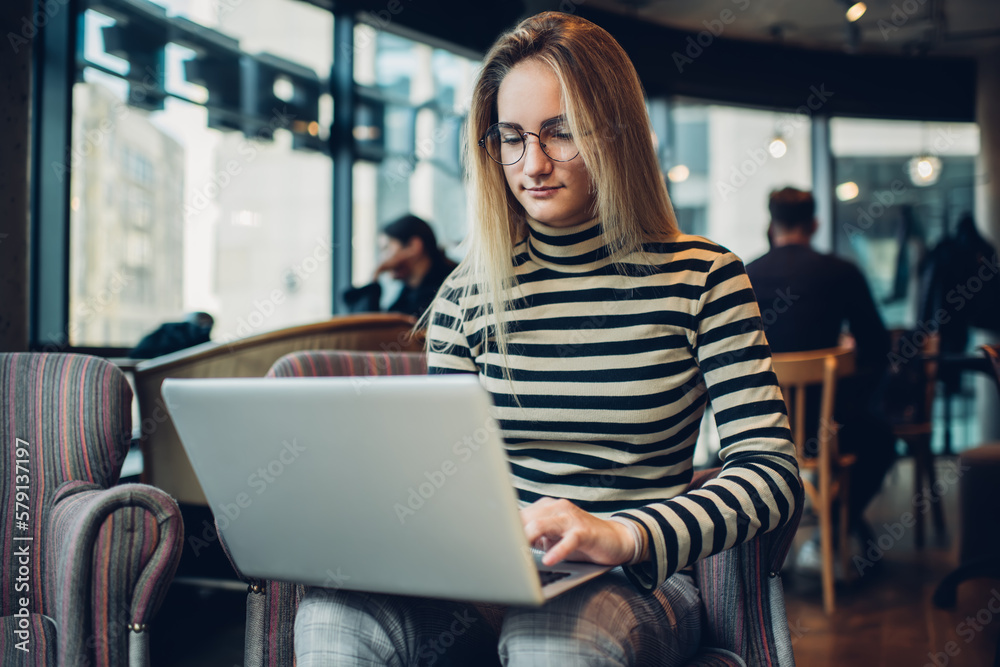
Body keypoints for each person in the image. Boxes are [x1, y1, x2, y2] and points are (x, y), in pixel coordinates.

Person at [295, 13, 798, 666]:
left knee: (549, 636)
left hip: (633, 583)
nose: (531, 164)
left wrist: (624, 533)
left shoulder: (703, 277)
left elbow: (772, 472)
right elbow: (448, 480)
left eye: (560, 134)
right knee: (332, 617)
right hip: (485, 585)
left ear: (615, 134)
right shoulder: (465, 295)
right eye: (511, 138)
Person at [745, 187, 895, 564]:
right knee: (882, 444)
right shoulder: (842, 272)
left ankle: (767, 549)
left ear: (770, 225)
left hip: (764, 428)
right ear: (814, 224)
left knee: (721, 459)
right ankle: (833, 529)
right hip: (830, 427)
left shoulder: (745, 275)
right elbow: (879, 348)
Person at [343, 214, 457, 318]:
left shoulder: (450, 287)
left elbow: (374, 331)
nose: (383, 259)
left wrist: (376, 273)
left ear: (413, 246)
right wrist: (374, 278)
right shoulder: (408, 294)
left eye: (386, 248)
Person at [130, 311, 214, 359]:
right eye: (201, 323)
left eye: (208, 324)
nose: (205, 328)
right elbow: (138, 355)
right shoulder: (170, 333)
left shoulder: (204, 341)